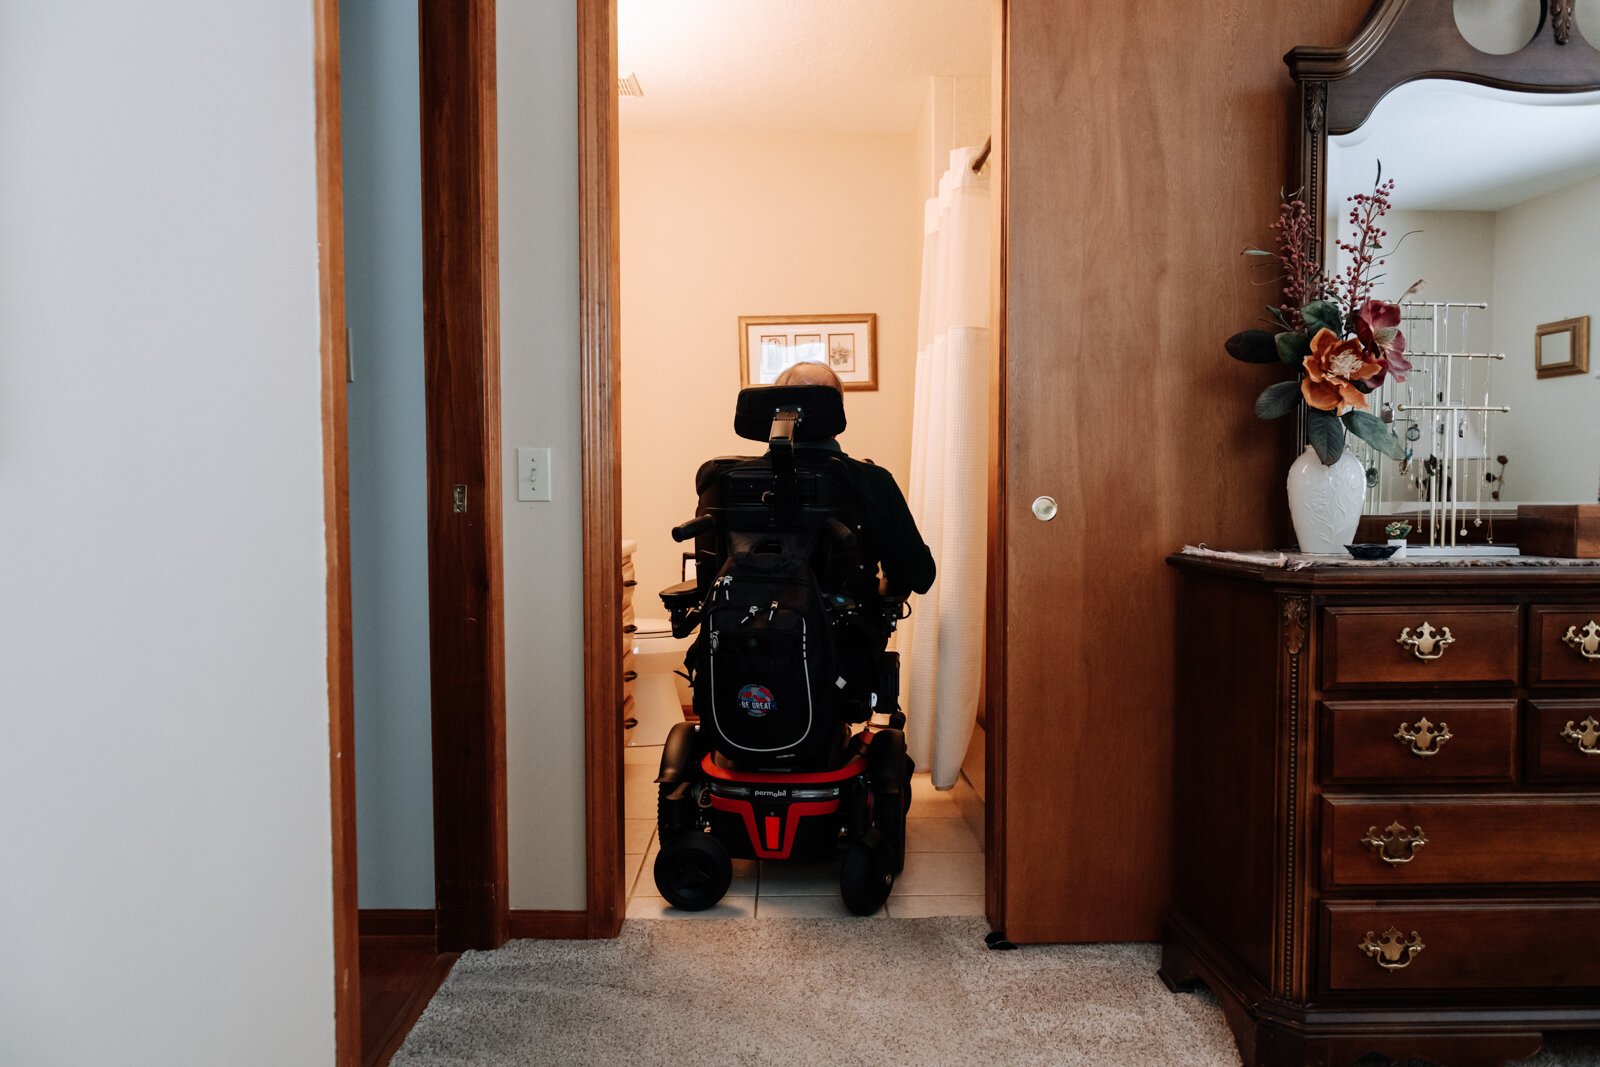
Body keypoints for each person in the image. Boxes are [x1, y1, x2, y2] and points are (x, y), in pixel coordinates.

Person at [773, 361, 936, 596]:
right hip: (846, 629)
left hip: (747, 626)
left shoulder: (721, 479)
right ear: (837, 415)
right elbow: (917, 575)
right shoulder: (874, 481)